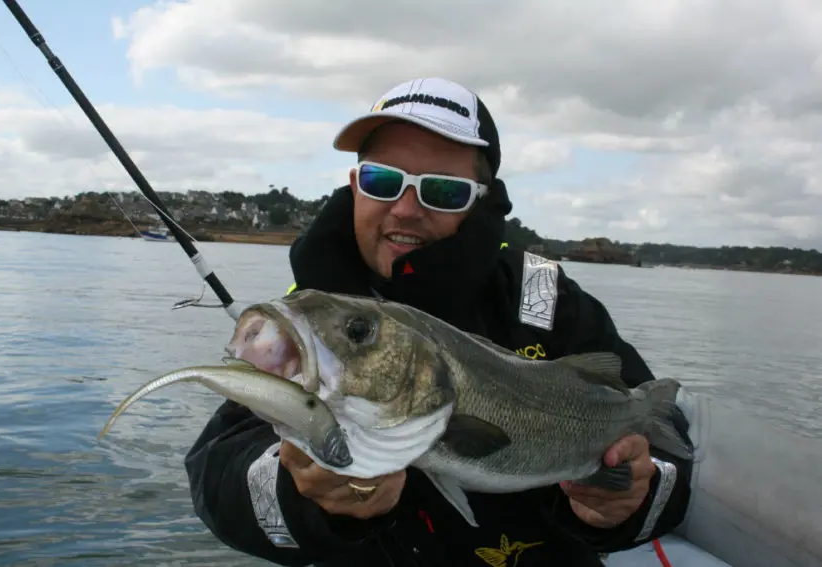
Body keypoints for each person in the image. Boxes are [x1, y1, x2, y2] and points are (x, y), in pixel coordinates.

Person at [185, 77, 693, 567]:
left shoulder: (541, 292)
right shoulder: (314, 319)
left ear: (481, 200)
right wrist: (299, 495)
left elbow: (662, 434)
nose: (405, 209)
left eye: (443, 191)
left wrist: (632, 499)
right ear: (354, 185)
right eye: (382, 181)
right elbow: (217, 474)